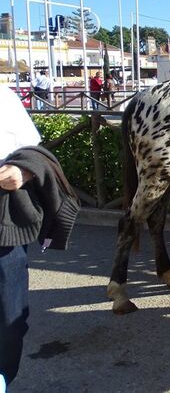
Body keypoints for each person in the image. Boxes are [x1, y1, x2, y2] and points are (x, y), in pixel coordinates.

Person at [0, 86, 79, 389]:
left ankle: (4, 378)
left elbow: (35, 151)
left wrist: (24, 169)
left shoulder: (3, 96)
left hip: (4, 226)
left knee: (11, 320)